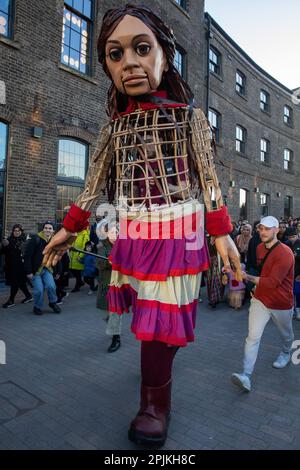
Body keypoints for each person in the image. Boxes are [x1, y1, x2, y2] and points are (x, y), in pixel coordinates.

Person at [43, 4, 241, 447]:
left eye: (141, 48)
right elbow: (94, 181)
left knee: (158, 322)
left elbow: (208, 179)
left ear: (164, 57)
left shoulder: (190, 119)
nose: (129, 61)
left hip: (177, 227)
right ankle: (158, 372)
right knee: (150, 319)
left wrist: (222, 230)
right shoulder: (114, 129)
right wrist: (70, 227)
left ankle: (155, 403)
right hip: (134, 226)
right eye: (115, 54)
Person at [232, 216, 295, 392]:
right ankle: (246, 375)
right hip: (260, 299)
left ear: (276, 230)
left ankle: (286, 351)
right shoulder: (259, 247)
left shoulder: (285, 253)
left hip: (281, 302)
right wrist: (235, 269)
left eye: (267, 229)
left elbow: (272, 282)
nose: (263, 232)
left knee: (286, 334)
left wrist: (246, 277)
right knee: (252, 337)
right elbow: (256, 269)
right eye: (261, 228)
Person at [23, 221, 61, 315]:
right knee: (39, 290)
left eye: (50, 228)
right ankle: (37, 307)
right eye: (46, 228)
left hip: (48, 269)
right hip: (36, 270)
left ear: (53, 231)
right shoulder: (36, 239)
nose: (47, 230)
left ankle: (53, 303)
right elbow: (28, 256)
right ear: (43, 229)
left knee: (51, 286)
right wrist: (28, 272)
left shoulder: (55, 241)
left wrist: (58, 271)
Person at [96, 223, 121, 352]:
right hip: (106, 283)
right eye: (111, 232)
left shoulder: (124, 246)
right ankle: (113, 328)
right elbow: (99, 265)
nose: (114, 235)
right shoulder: (101, 247)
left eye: (116, 232)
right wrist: (108, 261)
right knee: (105, 314)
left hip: (119, 284)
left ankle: (116, 338)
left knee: (115, 313)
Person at [1, 224, 32, 308]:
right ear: (13, 231)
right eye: (15, 230)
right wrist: (4, 246)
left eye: (19, 231)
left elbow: (29, 253)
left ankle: (11, 300)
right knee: (21, 283)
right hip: (11, 266)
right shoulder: (9, 240)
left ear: (21, 232)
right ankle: (28, 296)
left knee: (15, 283)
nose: (17, 232)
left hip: (21, 266)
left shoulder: (25, 240)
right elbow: (2, 252)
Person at [285, 226, 300, 320]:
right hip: (288, 274)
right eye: (290, 237)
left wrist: (297, 256)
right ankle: (290, 310)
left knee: (298, 293)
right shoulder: (286, 244)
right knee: (289, 293)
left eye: (293, 236)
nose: (292, 239)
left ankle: (298, 311)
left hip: (298, 273)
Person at [69, 228, 90, 293]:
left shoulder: (85, 234)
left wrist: (80, 256)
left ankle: (77, 285)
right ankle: (80, 282)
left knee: (77, 272)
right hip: (72, 255)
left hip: (78, 256)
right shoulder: (74, 232)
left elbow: (85, 247)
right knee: (72, 269)